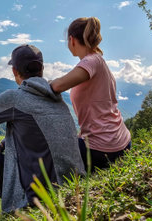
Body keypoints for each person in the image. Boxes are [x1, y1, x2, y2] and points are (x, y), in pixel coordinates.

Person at [0, 44, 85, 220]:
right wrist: (2, 145)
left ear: (14, 71)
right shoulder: (58, 98)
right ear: (42, 69)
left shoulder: (15, 98)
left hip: (34, 197)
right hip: (70, 185)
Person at [50, 17, 131, 172]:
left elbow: (58, 85)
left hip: (102, 149)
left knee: (48, 156)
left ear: (72, 40)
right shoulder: (99, 62)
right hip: (121, 140)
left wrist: (42, 83)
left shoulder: (91, 61)